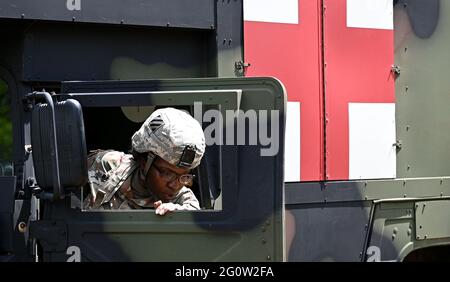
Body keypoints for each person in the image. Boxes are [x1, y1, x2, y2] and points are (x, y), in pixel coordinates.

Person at [83, 107, 206, 215]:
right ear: (145, 160)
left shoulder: (183, 200)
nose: (175, 185)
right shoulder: (107, 165)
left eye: (184, 176)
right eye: (168, 173)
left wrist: (179, 217)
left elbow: (192, 212)